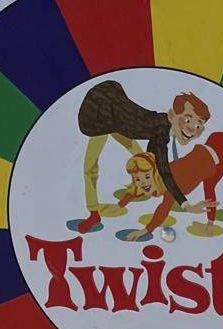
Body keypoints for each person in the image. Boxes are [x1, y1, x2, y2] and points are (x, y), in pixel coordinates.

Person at [77, 83, 210, 233]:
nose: (192, 128)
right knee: (90, 167)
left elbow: (157, 167)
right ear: (172, 116)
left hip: (119, 121)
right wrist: (186, 205)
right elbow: (165, 172)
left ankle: (124, 201)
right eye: (187, 120)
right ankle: (93, 213)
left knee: (144, 164)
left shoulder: (162, 127)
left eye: (198, 125)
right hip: (102, 110)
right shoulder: (161, 133)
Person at [114, 135, 223, 241]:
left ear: (155, 172)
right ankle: (209, 227)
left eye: (146, 177)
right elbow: (138, 188)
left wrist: (145, 230)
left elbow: (163, 208)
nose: (143, 183)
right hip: (212, 150)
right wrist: (120, 205)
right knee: (209, 184)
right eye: (138, 179)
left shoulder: (171, 183)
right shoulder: (157, 177)